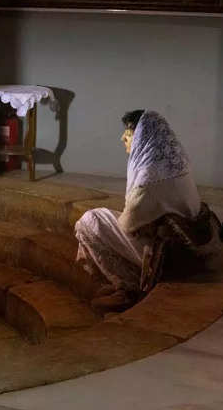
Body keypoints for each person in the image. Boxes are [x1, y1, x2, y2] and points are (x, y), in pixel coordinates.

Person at [75, 109, 202, 309]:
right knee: (106, 218)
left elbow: (128, 224)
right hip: (184, 242)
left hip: (163, 256)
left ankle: (128, 287)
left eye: (128, 132)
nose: (122, 137)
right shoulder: (176, 161)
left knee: (90, 222)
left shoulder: (148, 177)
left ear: (142, 136)